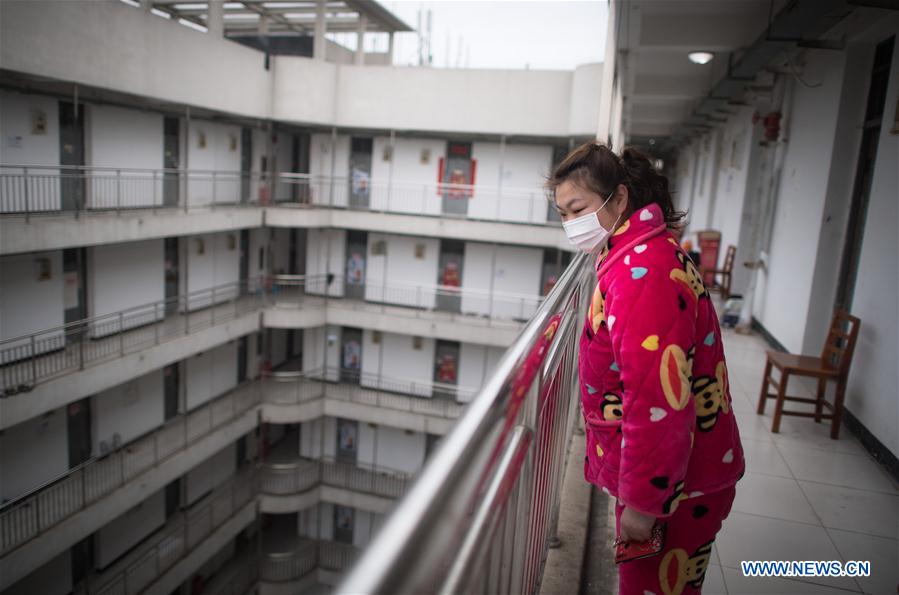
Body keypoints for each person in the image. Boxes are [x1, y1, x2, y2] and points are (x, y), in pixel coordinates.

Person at [547, 142, 744, 595]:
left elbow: (657, 400)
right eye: (562, 214)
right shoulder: (637, 254)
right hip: (680, 478)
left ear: (618, 199)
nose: (569, 224)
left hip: (674, 488)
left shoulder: (643, 272)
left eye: (577, 209)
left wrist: (643, 501)